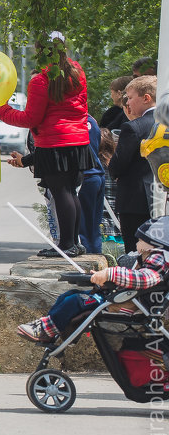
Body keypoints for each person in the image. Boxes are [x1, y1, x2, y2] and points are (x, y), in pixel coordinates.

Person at [0, 32, 90, 257]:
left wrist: (1, 111)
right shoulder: (76, 72)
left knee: (60, 192)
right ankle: (74, 242)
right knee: (71, 191)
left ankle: (66, 245)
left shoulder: (41, 79)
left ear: (39, 51)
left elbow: (30, 118)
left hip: (54, 142)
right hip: (79, 139)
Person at [16, 217, 169, 343]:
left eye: (140, 240)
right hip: (120, 297)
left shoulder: (158, 259)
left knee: (75, 301)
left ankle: (45, 330)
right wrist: (104, 277)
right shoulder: (150, 258)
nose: (137, 244)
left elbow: (144, 279)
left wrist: (111, 274)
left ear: (152, 244)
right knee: (69, 295)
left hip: (127, 304)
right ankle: (51, 330)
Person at [107, 74, 157, 252]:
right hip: (160, 196)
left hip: (136, 200)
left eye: (129, 98)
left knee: (135, 251)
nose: (126, 104)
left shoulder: (134, 127)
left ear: (146, 98)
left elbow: (118, 163)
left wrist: (114, 171)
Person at [78, 115, 105, 255]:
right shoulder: (92, 120)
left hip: (85, 176)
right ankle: (96, 256)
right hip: (97, 174)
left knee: (83, 227)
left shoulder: (74, 119)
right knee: (94, 228)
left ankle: (87, 262)